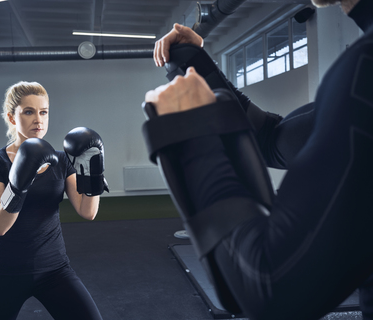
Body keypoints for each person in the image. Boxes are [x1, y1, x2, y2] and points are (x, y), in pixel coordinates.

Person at [143, 0, 373, 319]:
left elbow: (271, 290)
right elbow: (271, 140)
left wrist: (190, 132)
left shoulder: (364, 69)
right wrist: (195, 62)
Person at [0, 81, 107, 320]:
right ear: (12, 117)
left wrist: (93, 171)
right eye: (28, 112)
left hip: (55, 269)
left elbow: (87, 211)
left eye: (43, 112)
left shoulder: (61, 159)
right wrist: (19, 182)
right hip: (6, 271)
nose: (38, 119)